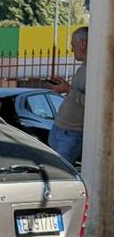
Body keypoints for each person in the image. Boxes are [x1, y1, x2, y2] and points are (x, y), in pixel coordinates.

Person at [47, 25, 87, 166]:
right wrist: (65, 87)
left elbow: (92, 102)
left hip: (72, 133)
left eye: (73, 45)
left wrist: (68, 89)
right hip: (61, 128)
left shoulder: (95, 70)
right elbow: (76, 94)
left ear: (83, 44)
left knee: (60, 171)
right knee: (53, 169)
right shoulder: (83, 67)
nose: (71, 49)